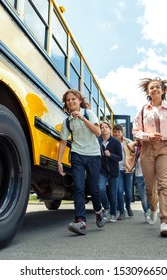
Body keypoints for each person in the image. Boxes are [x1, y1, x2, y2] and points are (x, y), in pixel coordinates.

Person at [132, 77, 167, 237]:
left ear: (163, 90)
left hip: (165, 148)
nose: (154, 89)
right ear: (148, 92)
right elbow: (135, 131)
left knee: (164, 184)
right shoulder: (143, 110)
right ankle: (153, 208)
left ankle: (165, 221)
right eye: (151, 88)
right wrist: (148, 136)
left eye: (157, 87)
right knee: (149, 187)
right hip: (147, 149)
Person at [57, 89, 106, 235]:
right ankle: (81, 222)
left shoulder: (88, 113)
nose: (71, 102)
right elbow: (63, 141)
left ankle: (98, 211)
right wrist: (59, 161)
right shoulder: (67, 121)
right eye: (68, 100)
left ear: (79, 101)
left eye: (74, 99)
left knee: (94, 187)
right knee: (78, 187)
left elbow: (98, 133)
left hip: (93, 155)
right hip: (77, 153)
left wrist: (83, 118)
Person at [98, 121, 123, 223]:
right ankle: (106, 207)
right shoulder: (98, 141)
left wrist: (110, 155)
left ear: (110, 129)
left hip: (113, 171)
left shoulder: (115, 142)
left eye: (106, 127)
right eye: (102, 127)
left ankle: (113, 214)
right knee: (100, 189)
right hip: (102, 171)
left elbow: (120, 157)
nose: (104, 129)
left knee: (113, 193)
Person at [112, 124, 135, 220]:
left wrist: (132, 166)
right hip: (117, 170)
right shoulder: (111, 142)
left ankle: (128, 206)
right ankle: (122, 212)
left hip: (128, 170)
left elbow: (134, 153)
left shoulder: (128, 141)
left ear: (122, 132)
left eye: (118, 132)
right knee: (119, 191)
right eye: (115, 132)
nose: (117, 133)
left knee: (128, 193)